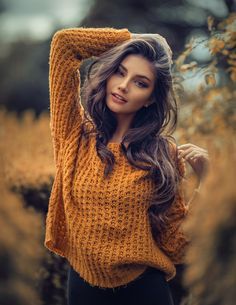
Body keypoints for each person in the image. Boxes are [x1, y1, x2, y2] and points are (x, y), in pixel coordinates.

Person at [44, 27, 209, 305]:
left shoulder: (161, 153)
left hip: (144, 291)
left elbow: (175, 244)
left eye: (140, 82)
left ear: (152, 98)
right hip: (82, 289)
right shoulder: (74, 134)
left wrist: (207, 184)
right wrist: (139, 40)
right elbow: (64, 44)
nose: (123, 85)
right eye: (120, 72)